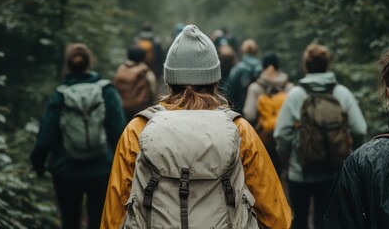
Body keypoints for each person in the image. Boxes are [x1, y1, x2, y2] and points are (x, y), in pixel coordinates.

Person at [101, 25, 292, 229]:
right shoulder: (239, 129)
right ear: (215, 80)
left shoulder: (138, 129)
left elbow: (115, 213)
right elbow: (276, 215)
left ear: (169, 80)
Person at [30, 43, 127, 229]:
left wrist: (39, 165)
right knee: (99, 221)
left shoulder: (60, 95)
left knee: (70, 221)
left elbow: (46, 138)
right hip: (101, 169)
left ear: (68, 64)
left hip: (66, 171)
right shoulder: (107, 91)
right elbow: (119, 133)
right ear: (90, 62)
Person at [273, 43, 367, 229]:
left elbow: (282, 133)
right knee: (326, 220)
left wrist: (285, 157)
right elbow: (360, 129)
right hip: (333, 171)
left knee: (299, 219)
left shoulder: (295, 95)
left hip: (301, 173)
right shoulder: (341, 93)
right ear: (327, 65)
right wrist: (349, 154)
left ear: (306, 66)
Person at [324, 45, 389, 229]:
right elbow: (359, 127)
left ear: (388, 94)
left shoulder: (362, 162)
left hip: (305, 173)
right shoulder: (341, 92)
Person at [243, 52, 293, 175]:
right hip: (286, 139)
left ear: (263, 66)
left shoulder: (255, 87)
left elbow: (249, 114)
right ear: (278, 66)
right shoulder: (289, 87)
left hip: (265, 139)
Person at [113, 46, 157, 122]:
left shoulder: (120, 69)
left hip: (122, 109)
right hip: (140, 110)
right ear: (143, 57)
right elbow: (153, 91)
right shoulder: (146, 71)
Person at [227, 39, 263, 115]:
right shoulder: (262, 67)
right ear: (256, 51)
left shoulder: (238, 68)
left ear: (242, 51)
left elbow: (229, 89)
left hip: (240, 110)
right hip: (260, 111)